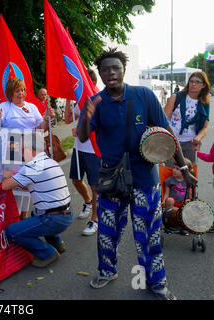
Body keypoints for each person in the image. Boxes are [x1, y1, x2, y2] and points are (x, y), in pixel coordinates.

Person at [77, 48, 197, 300]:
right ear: (99, 74)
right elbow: (82, 136)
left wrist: (183, 168)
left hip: (145, 180)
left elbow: (167, 133)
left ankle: (156, 283)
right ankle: (107, 271)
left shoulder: (143, 95)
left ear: (123, 70)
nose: (110, 72)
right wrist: (86, 117)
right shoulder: (96, 102)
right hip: (111, 179)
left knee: (149, 233)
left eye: (115, 68)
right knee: (108, 231)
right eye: (105, 69)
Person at [2, 137, 72, 267]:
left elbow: (5, 186)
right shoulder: (50, 161)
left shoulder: (33, 166)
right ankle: (57, 242)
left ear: (30, 149)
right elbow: (32, 184)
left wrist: (6, 174)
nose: (21, 155)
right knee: (36, 213)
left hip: (54, 219)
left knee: (11, 231)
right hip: (66, 213)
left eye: (23, 151)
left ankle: (48, 253)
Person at [0, 77, 55, 218]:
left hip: (33, 146)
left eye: (23, 90)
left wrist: (48, 118)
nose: (21, 93)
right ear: (11, 92)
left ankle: (23, 218)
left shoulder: (31, 107)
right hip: (13, 147)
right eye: (17, 91)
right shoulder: (4, 107)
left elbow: (41, 128)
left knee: (30, 184)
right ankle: (11, 219)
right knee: (14, 185)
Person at [64, 69, 101, 236]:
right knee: (76, 180)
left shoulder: (101, 98)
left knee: (95, 185)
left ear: (90, 83)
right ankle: (87, 202)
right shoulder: (79, 99)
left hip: (95, 150)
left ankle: (95, 219)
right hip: (79, 149)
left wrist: (81, 130)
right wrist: (68, 98)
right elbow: (66, 119)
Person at [164, 71, 210, 165]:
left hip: (190, 144)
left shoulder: (204, 103)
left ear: (204, 85)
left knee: (188, 174)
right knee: (170, 172)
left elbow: (205, 127)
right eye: (191, 81)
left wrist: (198, 137)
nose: (193, 84)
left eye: (197, 82)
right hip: (172, 142)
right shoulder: (176, 97)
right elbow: (164, 120)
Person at [162, 158, 192, 235]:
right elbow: (166, 193)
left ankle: (184, 226)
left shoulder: (188, 181)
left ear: (185, 172)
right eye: (174, 168)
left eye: (177, 169)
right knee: (170, 200)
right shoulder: (170, 180)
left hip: (183, 204)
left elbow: (190, 195)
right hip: (172, 205)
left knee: (188, 201)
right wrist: (163, 201)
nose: (174, 170)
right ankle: (168, 225)